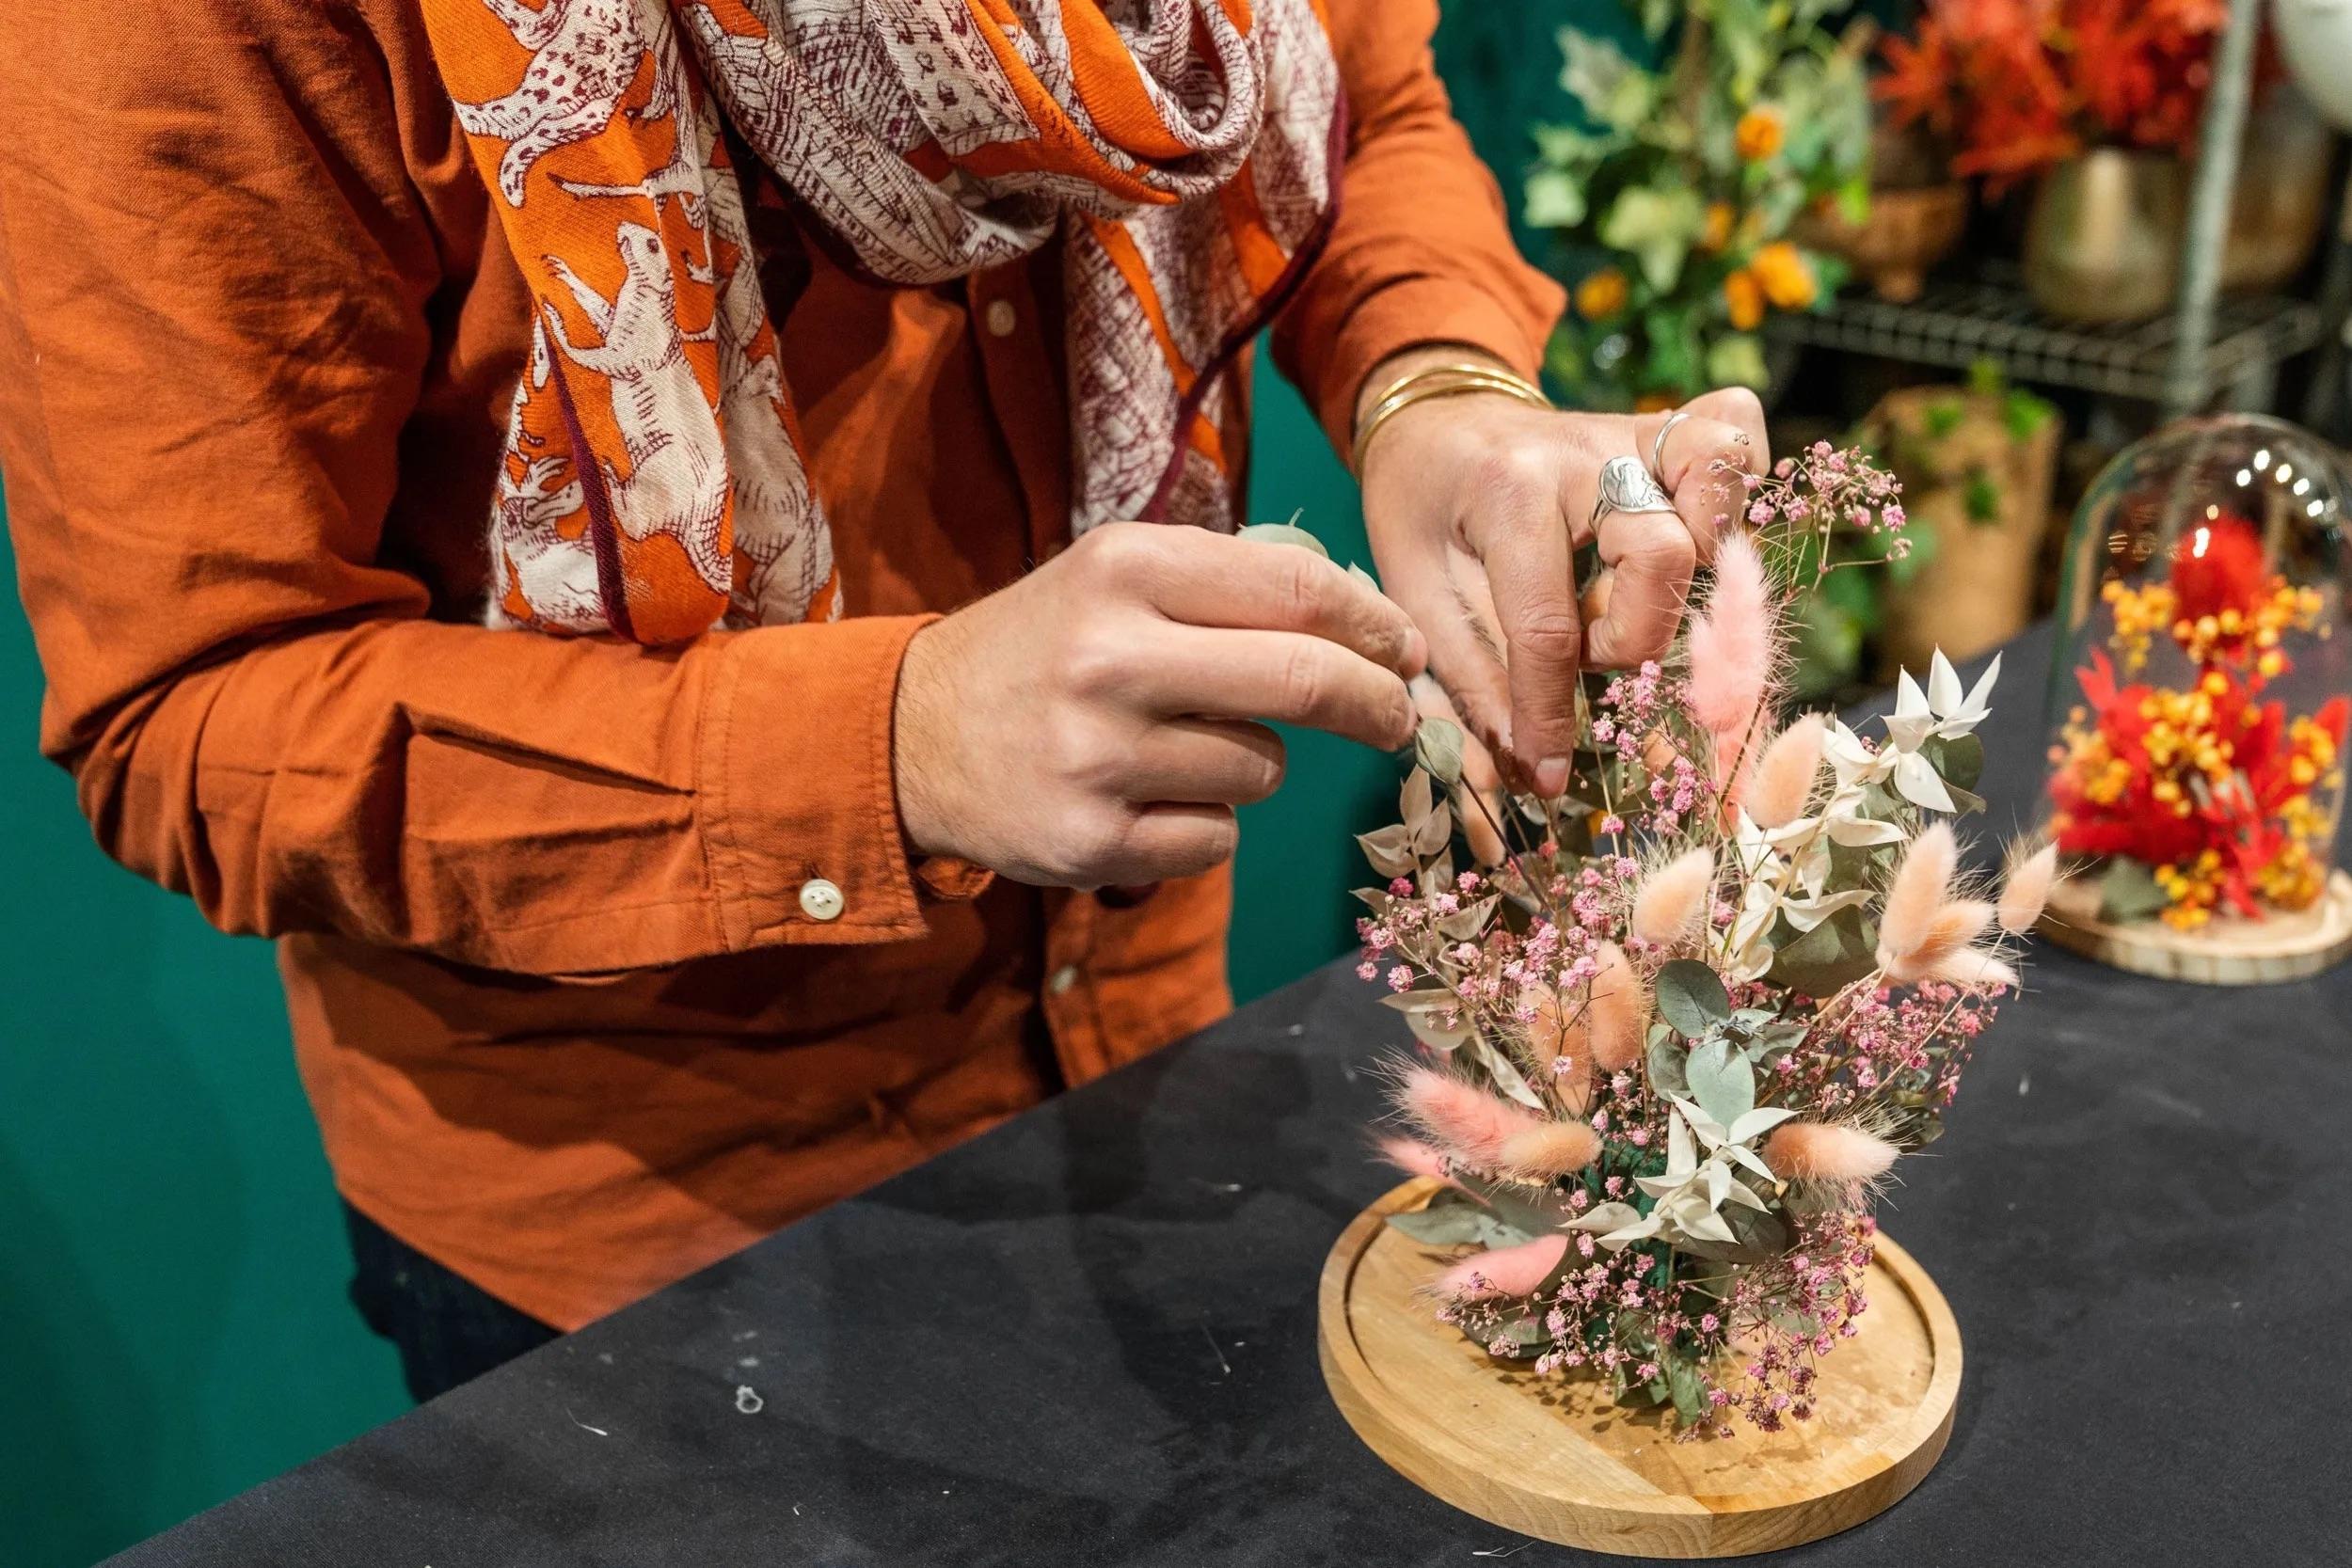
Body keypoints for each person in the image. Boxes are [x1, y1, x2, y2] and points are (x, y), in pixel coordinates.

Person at [0, 0, 1765, 1400]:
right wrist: (890, 747)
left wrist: (1433, 381)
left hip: (1153, 1043)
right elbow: (193, 712)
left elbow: (1357, 79)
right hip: (654, 1232)